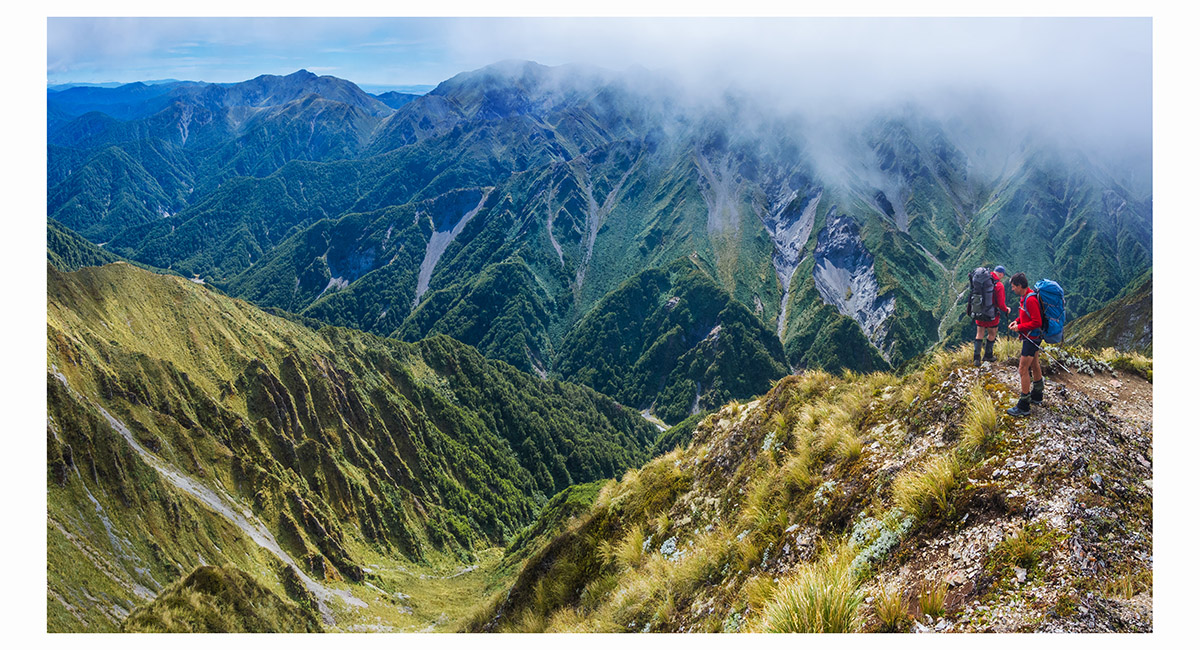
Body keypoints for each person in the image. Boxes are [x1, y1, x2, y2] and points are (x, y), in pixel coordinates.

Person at [1006, 272, 1044, 416]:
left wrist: (1019, 328)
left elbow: (1037, 322)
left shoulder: (1030, 300)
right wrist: (1017, 321)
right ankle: (1037, 394)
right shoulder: (1026, 297)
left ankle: (1024, 405)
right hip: (1032, 337)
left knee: (1022, 369)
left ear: (1020, 286)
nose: (1012, 289)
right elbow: (1027, 315)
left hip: (1031, 338)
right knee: (1034, 364)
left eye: (1014, 286)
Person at [973, 265, 1009, 366]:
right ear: (1001, 274)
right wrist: (1007, 310)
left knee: (979, 333)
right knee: (992, 334)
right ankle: (988, 355)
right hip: (991, 314)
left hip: (979, 311)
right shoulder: (999, 285)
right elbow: (1001, 304)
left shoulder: (981, 280)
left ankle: (976, 358)